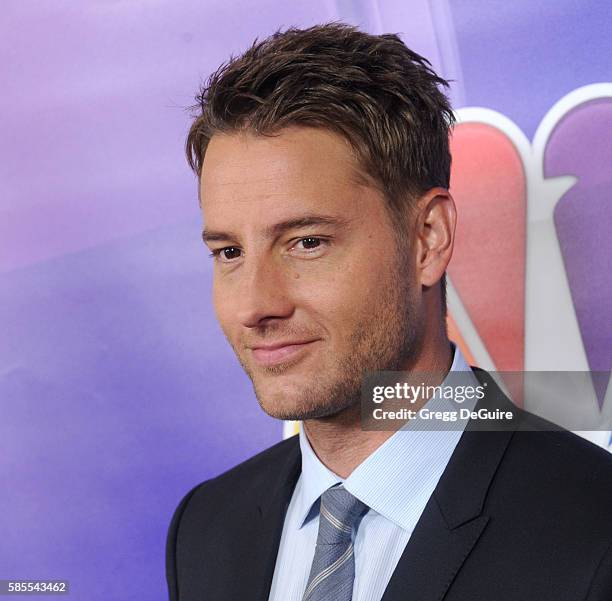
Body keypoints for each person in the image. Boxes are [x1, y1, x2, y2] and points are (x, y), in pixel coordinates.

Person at [166, 22, 612, 601]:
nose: (255, 305)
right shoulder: (205, 529)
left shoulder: (593, 531)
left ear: (427, 238)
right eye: (229, 252)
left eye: (308, 242)